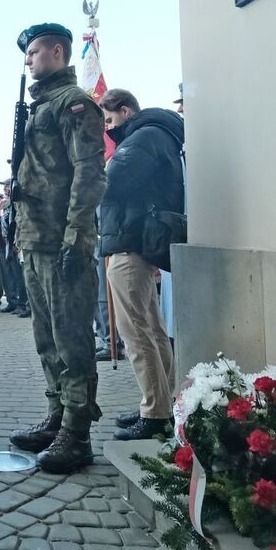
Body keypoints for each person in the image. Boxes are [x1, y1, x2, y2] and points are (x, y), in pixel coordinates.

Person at [8, 23, 106, 474]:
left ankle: (77, 432)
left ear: (58, 51)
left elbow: (88, 175)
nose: (28, 59)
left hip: (60, 240)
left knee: (72, 341)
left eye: (33, 52)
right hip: (33, 237)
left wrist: (74, 238)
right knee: (46, 339)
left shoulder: (75, 104)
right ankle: (57, 415)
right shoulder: (40, 105)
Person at [98, 88, 185, 441]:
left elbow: (111, 182)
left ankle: (155, 413)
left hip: (129, 241)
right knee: (152, 328)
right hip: (139, 240)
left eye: (109, 119)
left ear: (125, 110)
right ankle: (161, 402)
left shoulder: (144, 136)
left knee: (136, 332)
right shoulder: (159, 133)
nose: (108, 128)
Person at [0, 179, 30, 318]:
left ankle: (23, 304)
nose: (5, 189)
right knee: (10, 276)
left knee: (21, 276)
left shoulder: (18, 202)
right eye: (4, 187)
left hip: (17, 242)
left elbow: (19, 223)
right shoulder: (5, 204)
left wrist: (18, 242)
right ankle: (13, 302)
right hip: (6, 243)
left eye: (7, 186)